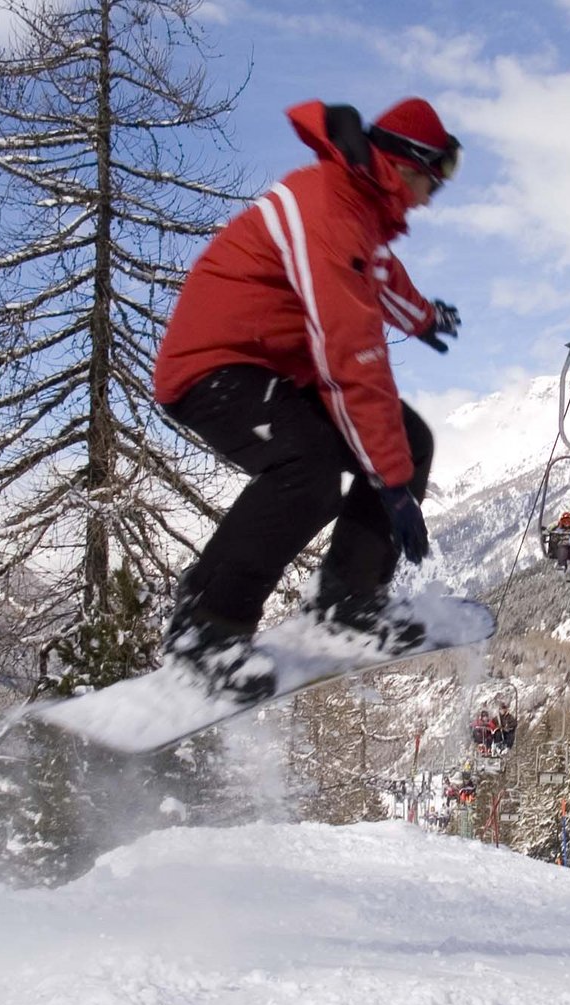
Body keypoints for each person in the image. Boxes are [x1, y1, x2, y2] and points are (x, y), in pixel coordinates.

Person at [152, 97, 463, 701]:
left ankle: (349, 600)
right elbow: (352, 358)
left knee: (411, 439)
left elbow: (377, 274)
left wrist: (422, 317)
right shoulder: (328, 206)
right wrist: (392, 487)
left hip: (274, 364)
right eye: (435, 179)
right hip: (213, 365)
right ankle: (206, 630)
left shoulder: (358, 209)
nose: (433, 196)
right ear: (403, 165)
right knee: (310, 469)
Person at [542, 510, 570, 576]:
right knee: (562, 549)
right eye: (564, 521)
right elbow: (553, 537)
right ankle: (562, 565)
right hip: (563, 544)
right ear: (562, 522)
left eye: (569, 521)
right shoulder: (559, 529)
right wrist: (556, 533)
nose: (567, 523)